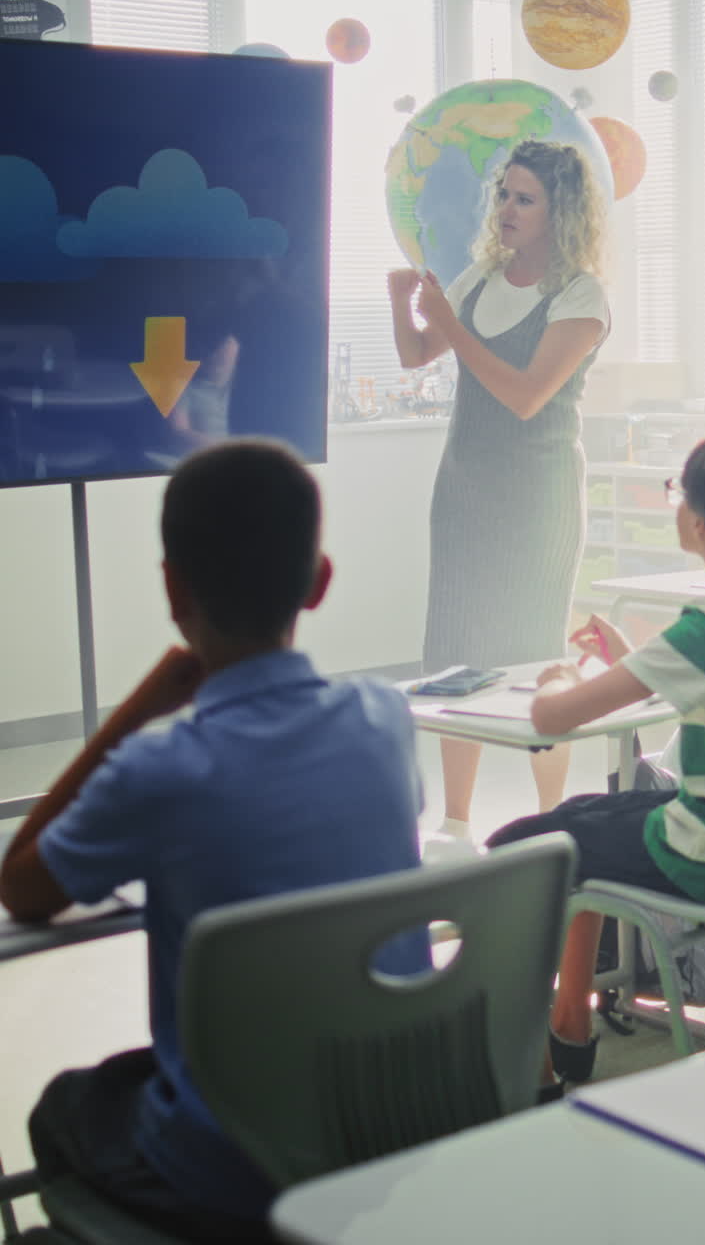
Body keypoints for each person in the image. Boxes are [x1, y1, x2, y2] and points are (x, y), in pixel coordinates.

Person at [0, 438, 426, 1242]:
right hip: (392, 1121)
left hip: (233, 1168)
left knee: (66, 1108)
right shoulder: (386, 722)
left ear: (172, 587)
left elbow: (21, 885)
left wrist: (135, 711)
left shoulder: (163, 768)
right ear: (320, 581)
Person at [388, 139, 609, 860]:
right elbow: (419, 356)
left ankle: (555, 825)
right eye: (503, 195)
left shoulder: (580, 296)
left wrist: (447, 327)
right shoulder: (481, 275)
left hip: (537, 501)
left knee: (534, 659)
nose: (506, 210)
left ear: (558, 211)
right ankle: (456, 823)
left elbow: (523, 396)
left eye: (524, 198)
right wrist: (401, 307)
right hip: (464, 492)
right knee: (457, 654)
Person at [487, 434, 705, 1091]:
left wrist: (556, 678)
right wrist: (633, 659)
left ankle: (531, 1068)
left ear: (699, 524)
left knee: (524, 848)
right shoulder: (697, 639)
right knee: (580, 819)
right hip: (702, 819)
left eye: (676, 490)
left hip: (703, 853)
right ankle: (571, 1018)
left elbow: (552, 719)